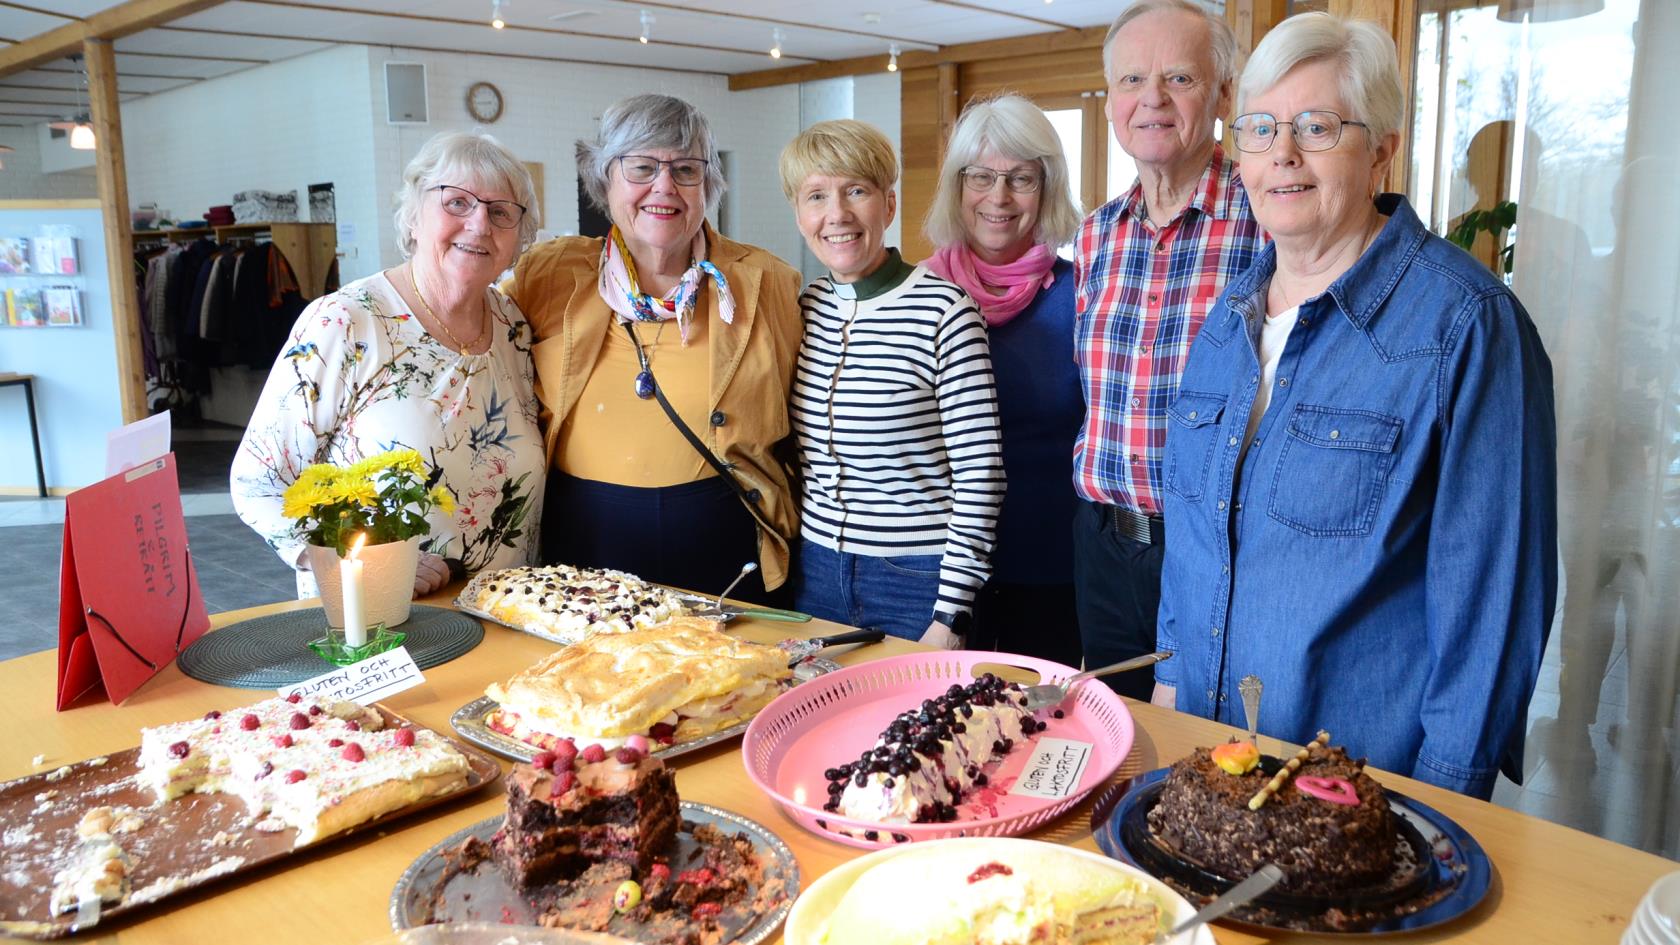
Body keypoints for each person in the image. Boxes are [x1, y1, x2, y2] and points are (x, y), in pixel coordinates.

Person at [1152, 12, 1558, 799]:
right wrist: (1168, 701)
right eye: (1261, 129)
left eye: (1317, 126)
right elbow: (1194, 545)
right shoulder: (1223, 323)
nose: (1283, 155)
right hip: (1206, 766)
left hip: (1361, 796)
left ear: (1383, 148)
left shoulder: (1467, 326)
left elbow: (1493, 604)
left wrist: (1445, 807)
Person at [505, 94, 803, 604]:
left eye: (686, 169)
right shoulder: (549, 275)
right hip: (583, 542)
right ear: (605, 179)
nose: (664, 186)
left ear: (707, 184)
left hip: (724, 543)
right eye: (642, 167)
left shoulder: (766, 282)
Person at [233, 131, 544, 598]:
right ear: (415, 215)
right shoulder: (345, 321)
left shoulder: (512, 326)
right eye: (457, 202)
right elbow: (257, 482)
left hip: (506, 614)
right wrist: (367, 562)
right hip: (381, 620)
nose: (479, 224)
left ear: (519, 237)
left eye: (500, 212)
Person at [1074, 0, 1268, 698]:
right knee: (1113, 746)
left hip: (1214, 549)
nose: (1150, 99)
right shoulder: (1096, 235)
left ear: (1222, 95)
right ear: (1109, 107)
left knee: (1200, 761)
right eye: (1130, 81)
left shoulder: (1265, 218)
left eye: (1178, 79)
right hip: (1100, 543)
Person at [781, 119, 1005, 646]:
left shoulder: (945, 311)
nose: (836, 214)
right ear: (799, 214)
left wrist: (951, 614)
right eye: (816, 196)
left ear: (889, 204)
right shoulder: (804, 309)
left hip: (916, 579)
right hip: (815, 570)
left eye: (855, 191)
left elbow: (981, 475)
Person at [922, 94, 1084, 666]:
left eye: (1021, 179)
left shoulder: (1083, 294)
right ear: (955, 186)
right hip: (932, 569)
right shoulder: (918, 295)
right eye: (982, 176)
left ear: (1048, 189)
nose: (999, 197)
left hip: (1049, 569)